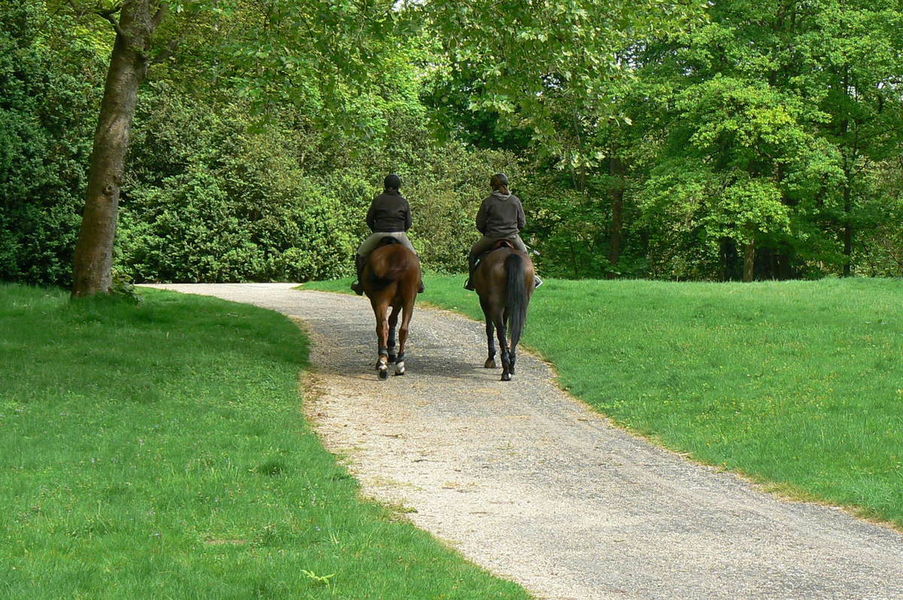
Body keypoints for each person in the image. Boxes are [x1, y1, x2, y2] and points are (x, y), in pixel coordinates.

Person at [464, 173, 542, 291]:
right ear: (506, 184)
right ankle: (533, 278)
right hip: (512, 237)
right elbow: (522, 223)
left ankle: (471, 281)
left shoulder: (488, 202)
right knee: (525, 255)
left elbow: (480, 223)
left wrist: (487, 232)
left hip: (491, 237)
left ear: (493, 186)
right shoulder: (515, 200)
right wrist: (513, 231)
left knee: (473, 254)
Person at [351, 174, 424, 295]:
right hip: (399, 234)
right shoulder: (403, 202)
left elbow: (369, 220)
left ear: (385, 185)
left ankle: (360, 284)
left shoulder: (378, 199)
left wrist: (376, 230)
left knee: (360, 254)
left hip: (379, 233)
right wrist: (401, 231)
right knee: (415, 256)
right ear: (398, 186)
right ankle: (419, 283)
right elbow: (409, 223)